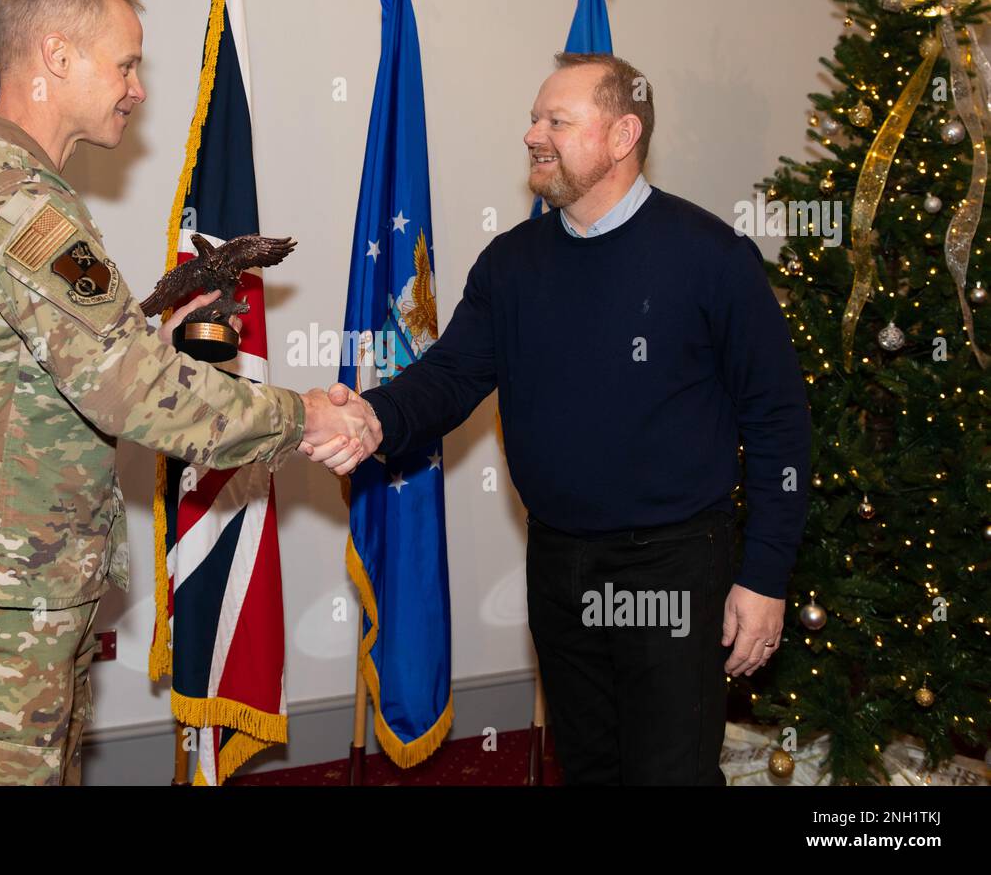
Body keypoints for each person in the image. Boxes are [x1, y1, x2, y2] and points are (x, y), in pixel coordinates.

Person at [0, 0, 378, 785]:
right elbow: (131, 389)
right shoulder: (20, 203)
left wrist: (149, 338)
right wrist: (305, 417)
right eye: (127, 64)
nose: (137, 89)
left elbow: (19, 376)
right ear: (58, 57)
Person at [307, 52, 812, 785]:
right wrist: (375, 419)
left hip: (670, 563)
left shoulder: (709, 256)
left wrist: (764, 576)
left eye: (556, 120)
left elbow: (778, 421)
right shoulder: (512, 263)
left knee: (669, 772)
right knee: (590, 765)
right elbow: (450, 376)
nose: (532, 134)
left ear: (621, 134)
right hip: (559, 562)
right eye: (534, 117)